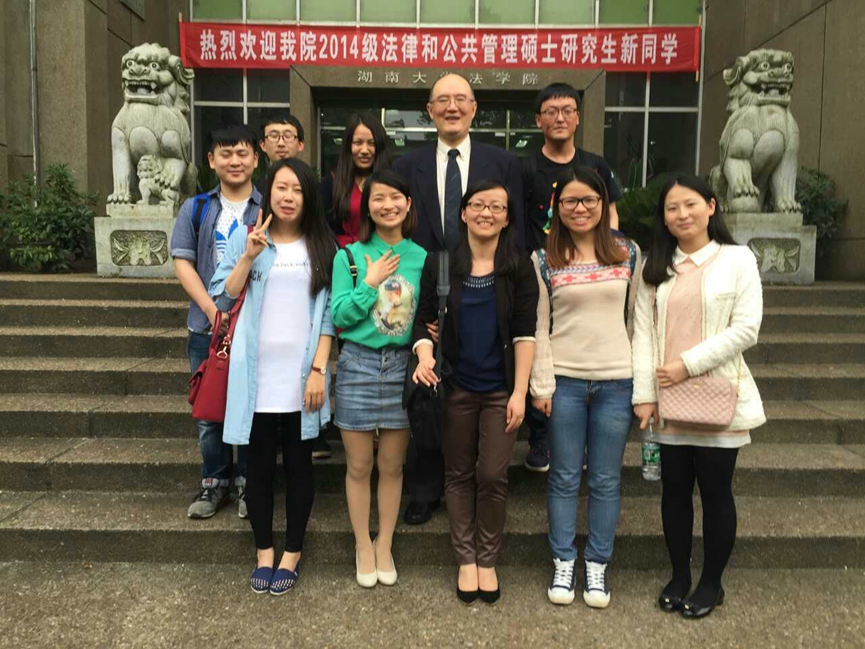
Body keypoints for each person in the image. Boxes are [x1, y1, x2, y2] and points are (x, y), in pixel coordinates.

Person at [631, 175, 765, 619]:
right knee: (673, 492)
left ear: (711, 206)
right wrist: (644, 395)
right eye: (672, 208)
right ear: (663, 218)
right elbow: (643, 334)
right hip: (668, 403)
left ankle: (711, 583)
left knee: (715, 492)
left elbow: (746, 329)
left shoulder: (737, 259)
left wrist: (687, 364)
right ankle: (678, 576)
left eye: (690, 204)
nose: (682, 214)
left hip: (717, 399)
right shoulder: (654, 267)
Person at [393, 72, 525, 526]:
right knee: (428, 395)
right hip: (427, 290)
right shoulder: (406, 164)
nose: (452, 107)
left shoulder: (502, 162)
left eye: (461, 99)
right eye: (443, 100)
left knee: (476, 394)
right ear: (429, 110)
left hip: (486, 293)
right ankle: (425, 489)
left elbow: (514, 227)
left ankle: (476, 486)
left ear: (474, 108)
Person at [208, 157, 336, 595]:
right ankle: (264, 551)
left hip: (302, 379)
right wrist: (248, 256)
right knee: (257, 470)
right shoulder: (247, 238)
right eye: (281, 187)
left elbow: (328, 318)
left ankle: (292, 553)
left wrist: (318, 370)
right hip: (256, 380)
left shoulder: (323, 246)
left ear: (308, 197)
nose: (288, 197)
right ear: (269, 192)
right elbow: (222, 298)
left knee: (300, 469)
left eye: (298, 189)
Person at [412, 180, 538, 605]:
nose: (487, 213)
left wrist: (520, 391)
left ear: (507, 218)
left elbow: (524, 332)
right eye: (479, 205)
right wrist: (425, 354)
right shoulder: (441, 264)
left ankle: (489, 557)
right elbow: (423, 319)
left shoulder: (519, 267)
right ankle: (466, 559)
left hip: (501, 390)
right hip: (456, 387)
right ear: (464, 213)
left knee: (493, 475)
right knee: (459, 473)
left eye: (497, 207)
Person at [530, 166, 641, 609]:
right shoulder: (544, 259)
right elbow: (539, 326)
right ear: (557, 207)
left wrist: (643, 385)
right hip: (566, 382)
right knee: (562, 476)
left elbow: (638, 320)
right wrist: (542, 384)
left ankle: (597, 563)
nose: (580, 208)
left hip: (617, 380)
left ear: (603, 204)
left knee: (605, 479)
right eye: (571, 201)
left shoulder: (628, 253)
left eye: (589, 200)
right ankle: (563, 560)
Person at [521, 82, 626, 474]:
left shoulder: (596, 164)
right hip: (544, 272)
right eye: (551, 111)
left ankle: (581, 441)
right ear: (539, 120)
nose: (560, 117)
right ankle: (541, 437)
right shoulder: (526, 167)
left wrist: (609, 255)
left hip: (592, 270)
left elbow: (610, 213)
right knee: (540, 346)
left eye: (567, 110)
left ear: (578, 118)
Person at [330, 169, 427, 588]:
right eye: (378, 198)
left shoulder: (422, 257)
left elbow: (425, 317)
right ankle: (362, 544)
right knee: (359, 465)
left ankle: (384, 542)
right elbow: (339, 315)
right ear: (367, 207)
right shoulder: (349, 257)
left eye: (395, 197)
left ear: (408, 204)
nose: (387, 205)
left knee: (391, 465)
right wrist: (369, 284)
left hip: (402, 367)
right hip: (357, 364)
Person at [170, 124, 261, 520]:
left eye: (242, 153)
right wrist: (212, 310)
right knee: (210, 411)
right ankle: (214, 481)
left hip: (253, 327)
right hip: (206, 328)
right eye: (225, 153)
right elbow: (182, 262)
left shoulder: (267, 208)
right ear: (211, 160)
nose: (234, 161)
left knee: (253, 407)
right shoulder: (196, 208)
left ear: (255, 158)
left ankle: (249, 483)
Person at [321, 113, 391, 249]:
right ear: (348, 146)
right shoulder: (330, 183)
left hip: (383, 254)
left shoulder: (391, 183)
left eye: (371, 143)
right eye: (358, 142)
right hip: (340, 255)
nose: (364, 150)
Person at [255, 113, 305, 196]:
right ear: (263, 145)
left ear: (300, 144)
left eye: (288, 136)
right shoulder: (254, 191)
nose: (281, 143)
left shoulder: (312, 188)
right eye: (274, 136)